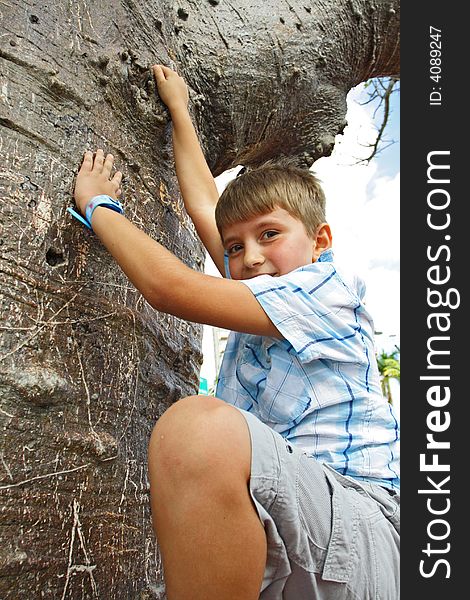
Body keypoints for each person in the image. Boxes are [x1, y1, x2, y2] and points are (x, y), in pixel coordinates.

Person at [72, 64, 400, 600]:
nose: (249, 258)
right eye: (235, 248)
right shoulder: (258, 283)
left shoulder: (323, 288)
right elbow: (206, 204)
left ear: (320, 241)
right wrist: (179, 110)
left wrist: (97, 207)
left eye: (270, 234)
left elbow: (170, 288)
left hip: (365, 524)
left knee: (198, 431)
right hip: (292, 523)